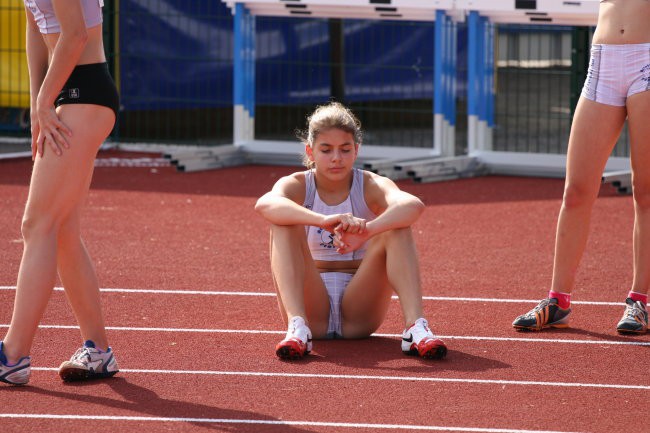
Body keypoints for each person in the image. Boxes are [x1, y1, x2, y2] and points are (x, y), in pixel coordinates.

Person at [254, 102, 447, 360]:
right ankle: (297, 328)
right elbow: (265, 204)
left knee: (397, 228)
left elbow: (413, 205)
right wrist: (322, 220)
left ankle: (415, 328)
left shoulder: (369, 184)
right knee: (283, 224)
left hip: (359, 312)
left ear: (356, 150)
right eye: (326, 150)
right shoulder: (298, 184)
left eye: (345, 149)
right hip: (314, 310)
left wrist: (367, 231)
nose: (336, 158)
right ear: (310, 151)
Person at [0, 0, 120, 385]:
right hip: (64, 93)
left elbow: (75, 35)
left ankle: (12, 355)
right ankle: (98, 352)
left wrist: (43, 101)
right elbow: (35, 28)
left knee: (37, 225)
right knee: (63, 230)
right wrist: (41, 102)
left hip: (85, 92)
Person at [513, 0, 650, 334]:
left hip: (647, 56)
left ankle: (640, 300)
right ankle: (558, 300)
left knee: (646, 191)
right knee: (576, 192)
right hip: (603, 59)